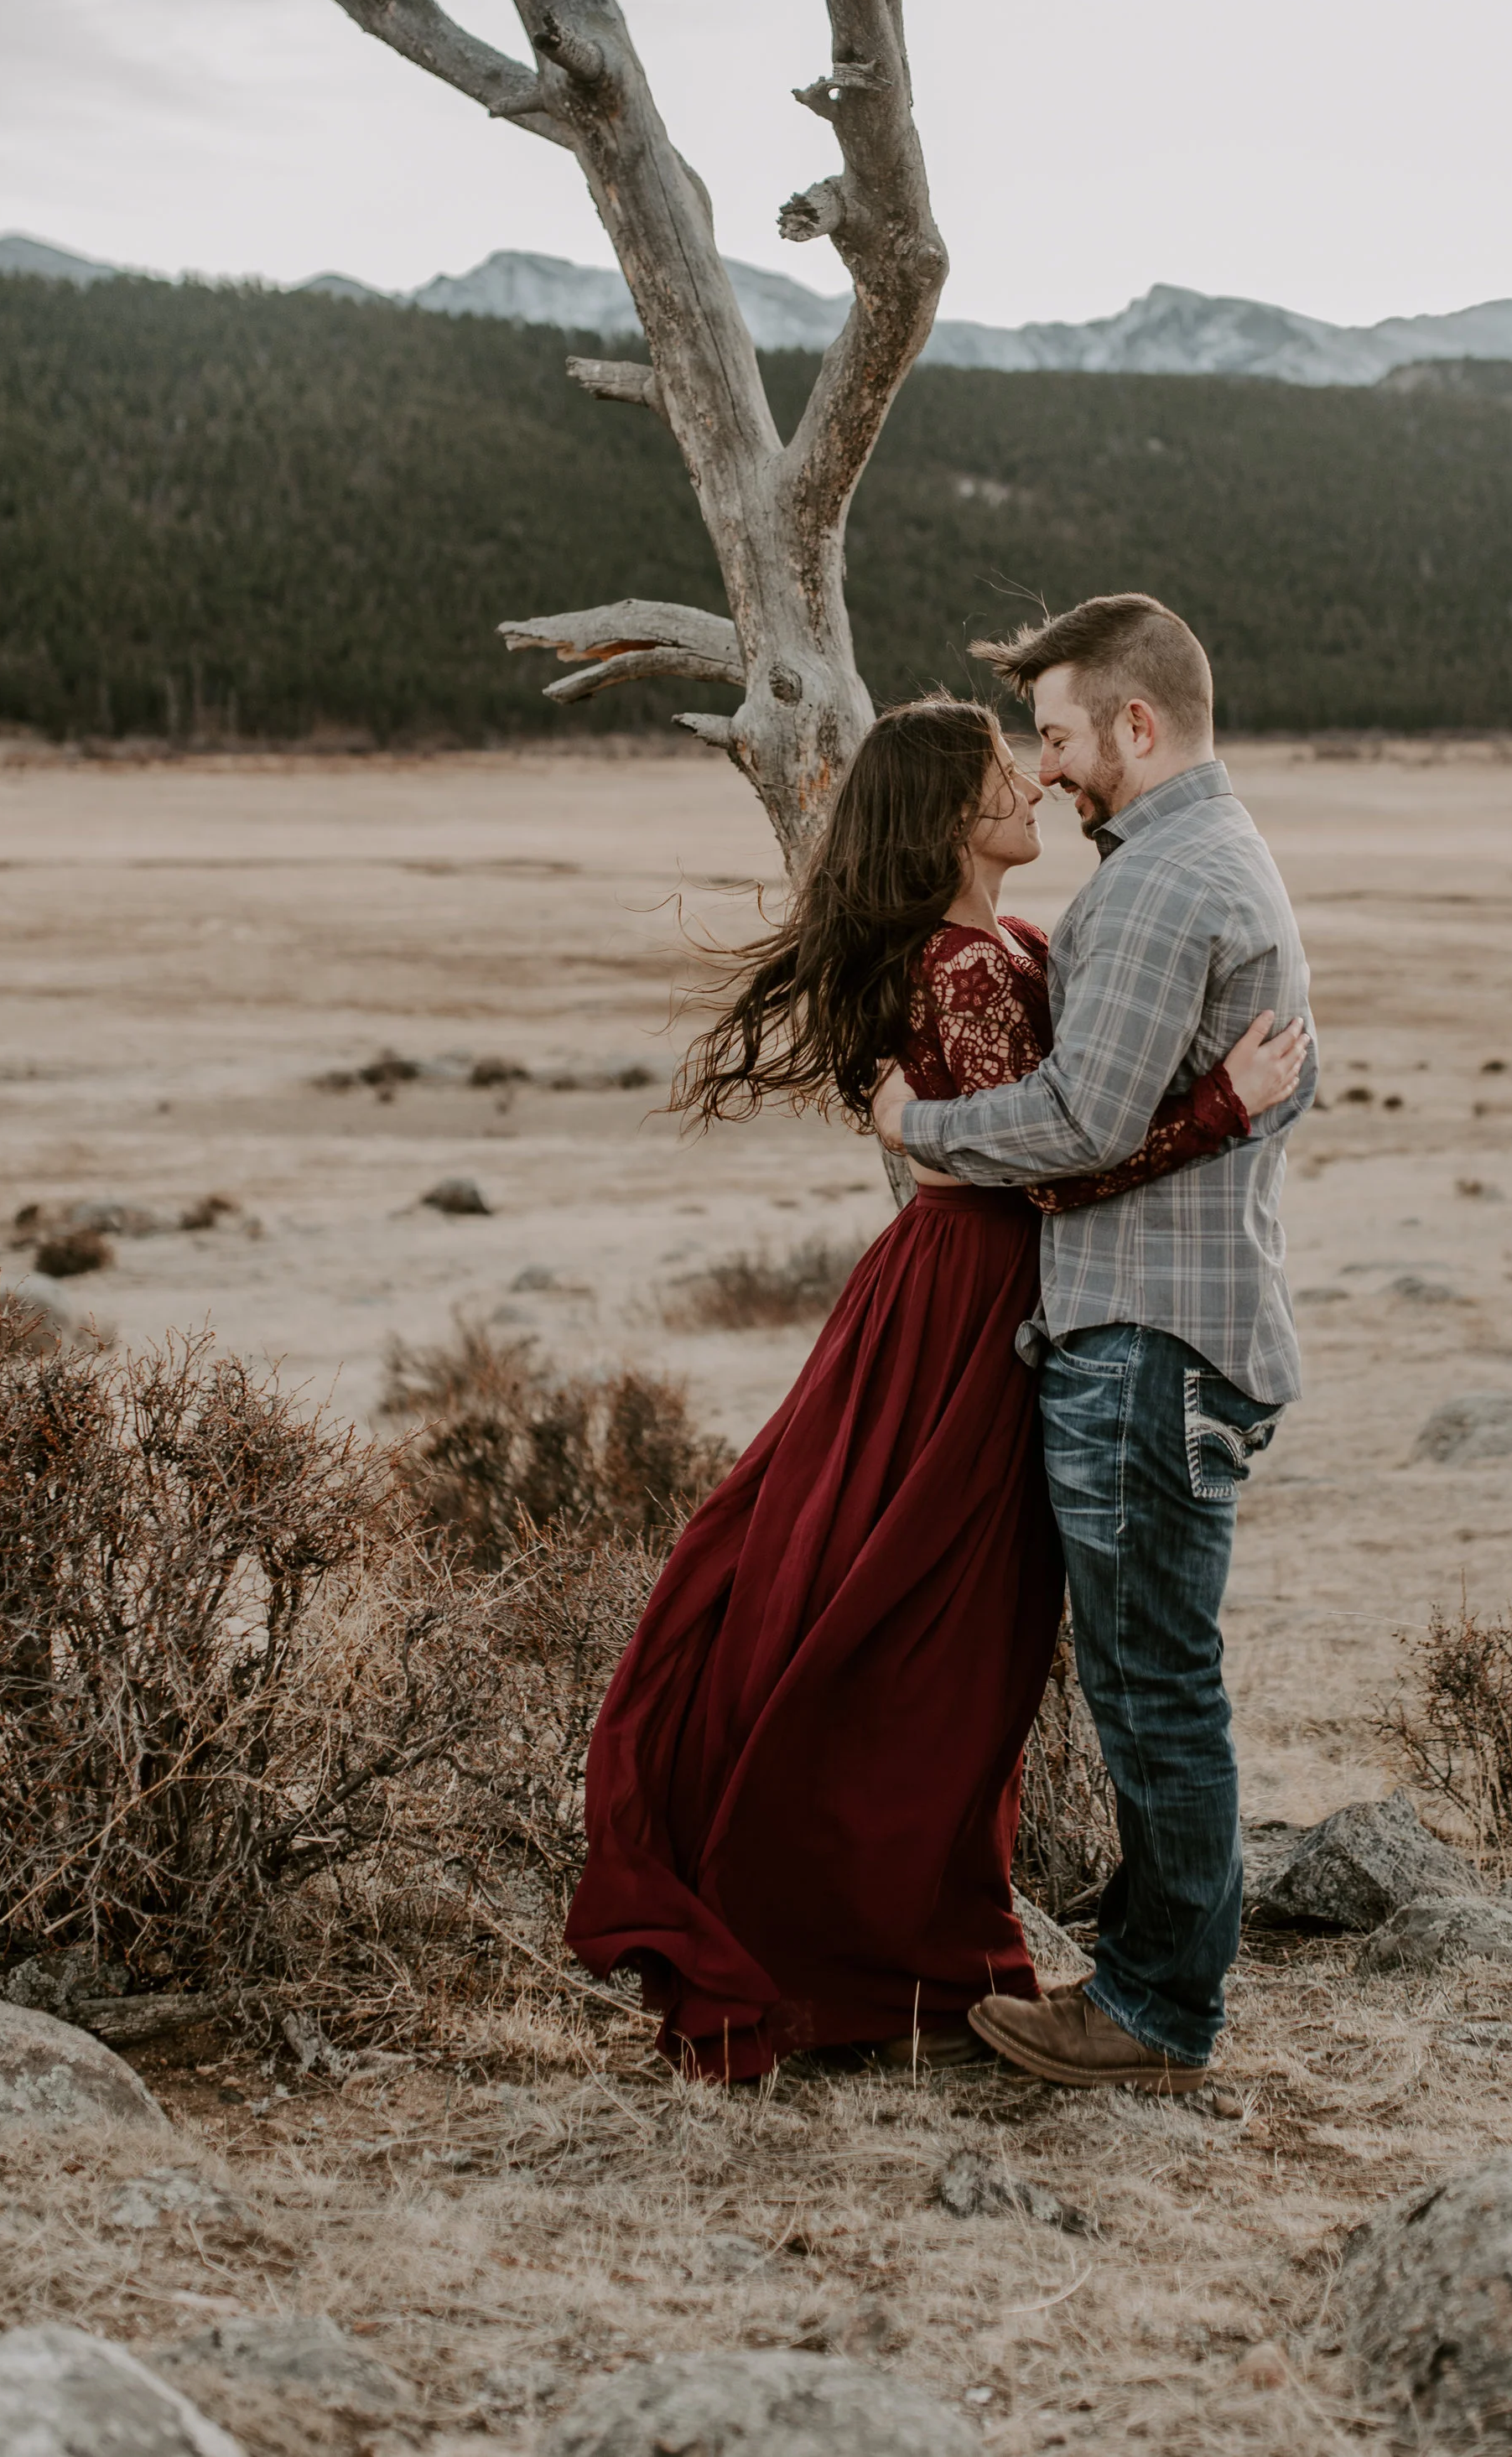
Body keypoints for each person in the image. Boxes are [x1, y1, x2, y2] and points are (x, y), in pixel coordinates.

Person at [564, 693, 1307, 2081]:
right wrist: (1221, 1109)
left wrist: (938, 1126)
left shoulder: (1009, 943)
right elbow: (1059, 1164)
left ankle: (914, 1946)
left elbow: (1049, 1119)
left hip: (982, 1287)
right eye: (1002, 768)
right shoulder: (963, 966)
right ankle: (861, 1947)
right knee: (916, 1622)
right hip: (969, 1303)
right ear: (953, 814)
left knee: (937, 1630)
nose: (1032, 782)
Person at [870, 595, 1317, 2095]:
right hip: (1187, 1325)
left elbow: (1077, 1124)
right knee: (1158, 1676)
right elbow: (1281, 1079)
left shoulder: (1155, 888)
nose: (1047, 767)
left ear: (1138, 721)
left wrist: (920, 1132)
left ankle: (1155, 2009)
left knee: (1152, 1689)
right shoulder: (1223, 852)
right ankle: (1151, 1981)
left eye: (1059, 735)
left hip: (1142, 1342)